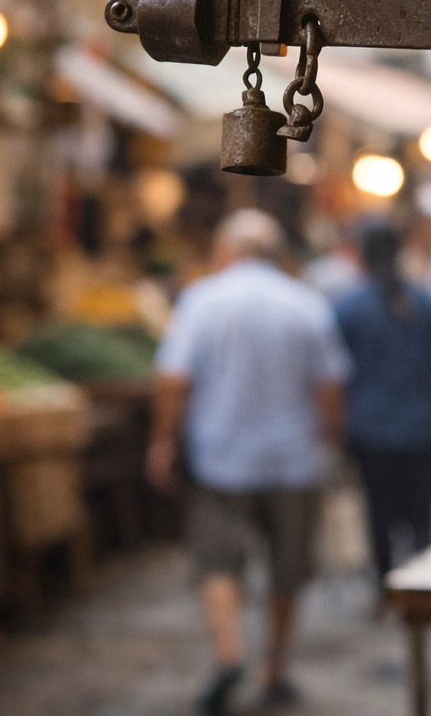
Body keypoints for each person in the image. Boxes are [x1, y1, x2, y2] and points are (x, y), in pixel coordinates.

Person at [150, 209, 350, 714]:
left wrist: (163, 441)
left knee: (217, 559)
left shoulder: (201, 300)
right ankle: (275, 669)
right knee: (288, 566)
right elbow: (330, 386)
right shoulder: (305, 303)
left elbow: (174, 379)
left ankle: (229, 652)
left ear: (226, 250)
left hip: (221, 455)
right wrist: (330, 441)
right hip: (293, 457)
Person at [333, 221, 431, 600]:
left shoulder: (350, 309)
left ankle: (387, 589)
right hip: (419, 425)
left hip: (371, 429)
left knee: (379, 513)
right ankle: (423, 587)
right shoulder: (423, 302)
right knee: (421, 514)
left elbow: (336, 376)